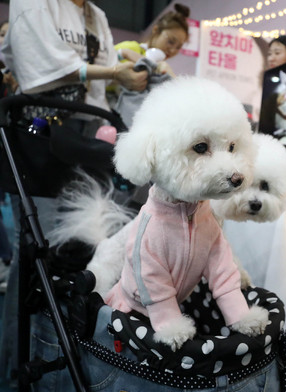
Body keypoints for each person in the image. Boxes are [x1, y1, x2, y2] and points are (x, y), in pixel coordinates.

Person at [0, 0, 146, 384]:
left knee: (83, 249)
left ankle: (59, 350)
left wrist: (126, 75)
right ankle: (17, 365)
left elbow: (99, 86)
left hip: (86, 134)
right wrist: (116, 71)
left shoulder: (95, 16)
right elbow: (41, 69)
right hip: (40, 128)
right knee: (37, 250)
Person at [115, 3, 190, 78]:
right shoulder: (130, 48)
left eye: (178, 47)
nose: (173, 50)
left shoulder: (161, 68)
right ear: (156, 30)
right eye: (171, 42)